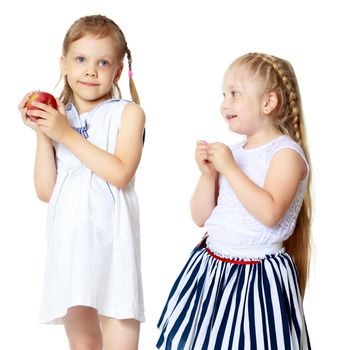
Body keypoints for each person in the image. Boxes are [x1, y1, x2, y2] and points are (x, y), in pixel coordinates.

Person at [157, 52, 311, 349]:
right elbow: (201, 217)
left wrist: (228, 168)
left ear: (268, 103)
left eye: (234, 94)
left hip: (257, 278)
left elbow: (270, 213)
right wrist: (207, 176)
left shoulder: (286, 154)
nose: (224, 104)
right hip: (213, 268)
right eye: (224, 94)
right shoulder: (233, 152)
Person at [18, 15, 145, 350]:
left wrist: (64, 134)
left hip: (113, 241)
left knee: (119, 326)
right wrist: (44, 134)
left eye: (103, 62)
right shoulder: (62, 116)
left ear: (117, 71)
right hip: (70, 243)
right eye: (80, 60)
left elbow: (120, 173)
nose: (90, 70)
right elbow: (47, 191)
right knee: (83, 341)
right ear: (63, 64)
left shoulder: (128, 113)